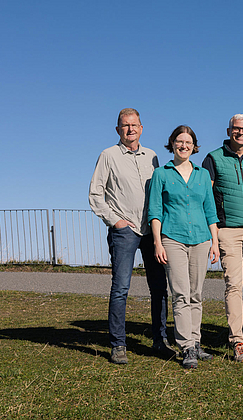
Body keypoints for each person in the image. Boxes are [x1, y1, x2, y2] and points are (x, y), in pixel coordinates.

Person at [89, 108, 172, 365]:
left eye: (134, 125)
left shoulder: (153, 156)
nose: (130, 129)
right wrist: (116, 221)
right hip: (124, 232)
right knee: (120, 288)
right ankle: (118, 344)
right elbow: (95, 194)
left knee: (159, 287)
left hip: (151, 231)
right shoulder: (108, 155)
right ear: (118, 129)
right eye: (125, 125)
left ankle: (160, 340)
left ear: (141, 128)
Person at [148, 125, 220, 369]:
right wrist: (157, 242)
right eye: (179, 141)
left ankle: (196, 342)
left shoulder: (202, 174)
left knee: (196, 294)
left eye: (188, 142)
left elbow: (210, 210)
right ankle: (186, 346)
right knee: (180, 294)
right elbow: (155, 210)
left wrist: (215, 242)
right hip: (173, 239)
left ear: (194, 146)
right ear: (172, 144)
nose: (184, 146)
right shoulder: (161, 174)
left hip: (201, 239)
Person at [202, 114, 243, 363]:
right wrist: (213, 234)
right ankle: (237, 340)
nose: (240, 132)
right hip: (228, 230)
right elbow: (206, 196)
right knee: (234, 284)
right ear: (229, 131)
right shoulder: (214, 158)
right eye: (236, 129)